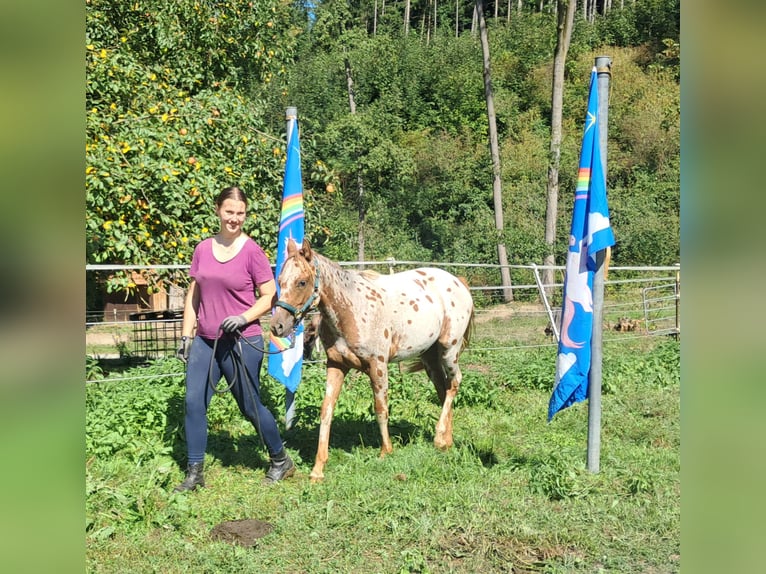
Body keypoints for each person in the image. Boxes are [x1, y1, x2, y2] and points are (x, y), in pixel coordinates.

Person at [174, 186, 295, 492]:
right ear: (218, 210)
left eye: (240, 213)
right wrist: (186, 334)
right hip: (206, 339)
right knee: (193, 402)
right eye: (229, 211)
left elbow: (269, 296)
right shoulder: (202, 249)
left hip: (242, 340)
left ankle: (281, 459)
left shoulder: (252, 251)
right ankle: (194, 471)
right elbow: (195, 293)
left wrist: (243, 317)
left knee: (250, 405)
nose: (235, 219)